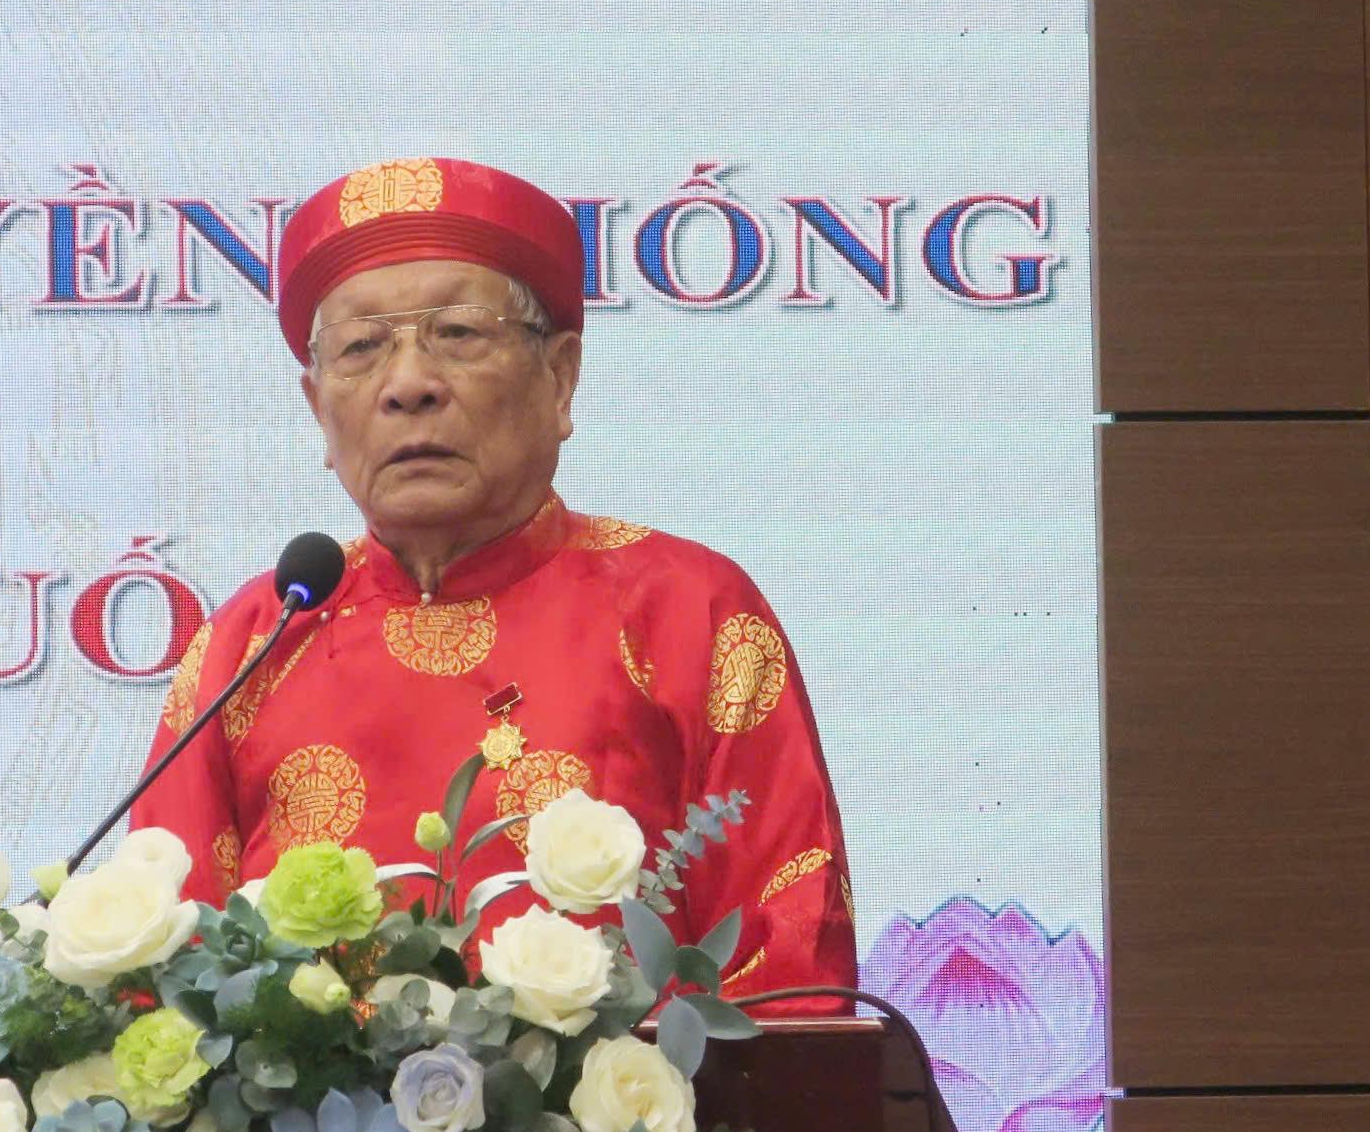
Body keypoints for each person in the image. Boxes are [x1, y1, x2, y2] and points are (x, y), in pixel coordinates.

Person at [132, 157, 852, 1009]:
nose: (408, 385)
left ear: (560, 378)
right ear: (318, 408)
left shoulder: (686, 611)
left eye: (459, 334)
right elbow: (162, 996)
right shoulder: (252, 643)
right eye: (361, 348)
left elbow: (792, 981)